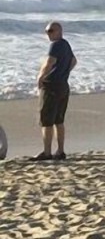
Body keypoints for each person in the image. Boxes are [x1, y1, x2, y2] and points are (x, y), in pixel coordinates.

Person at [34, 21, 76, 161]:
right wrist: (64, 72)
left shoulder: (56, 45)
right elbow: (73, 61)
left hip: (51, 86)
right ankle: (60, 151)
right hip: (63, 85)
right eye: (47, 31)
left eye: (51, 31)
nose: (49, 34)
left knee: (47, 121)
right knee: (59, 120)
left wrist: (41, 77)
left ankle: (47, 152)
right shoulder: (65, 44)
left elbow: (49, 62)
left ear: (59, 31)